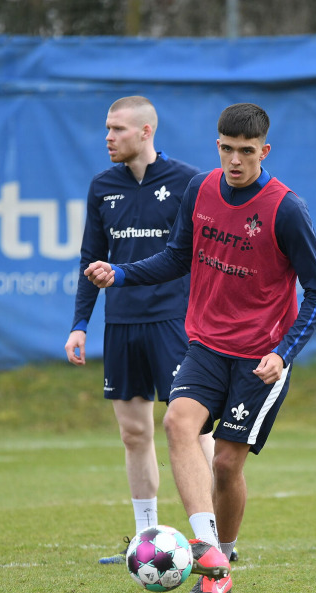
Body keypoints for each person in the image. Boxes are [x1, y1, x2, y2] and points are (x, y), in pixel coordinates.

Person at [85, 102, 316, 593]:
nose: (235, 160)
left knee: (225, 464)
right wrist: (122, 273)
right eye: (227, 149)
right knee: (177, 423)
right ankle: (208, 552)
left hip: (260, 359)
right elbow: (177, 257)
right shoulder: (199, 190)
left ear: (264, 151)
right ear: (217, 146)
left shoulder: (286, 209)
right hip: (205, 344)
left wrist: (284, 353)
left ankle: (225, 553)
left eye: (246, 151)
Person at [65, 95, 216, 563]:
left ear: (146, 131)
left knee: (193, 430)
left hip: (175, 322)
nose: (108, 137)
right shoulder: (102, 186)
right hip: (122, 323)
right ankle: (144, 538)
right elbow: (92, 258)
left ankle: (213, 538)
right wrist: (80, 324)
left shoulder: (188, 181)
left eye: (118, 129)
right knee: (134, 434)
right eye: (107, 128)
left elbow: (199, 255)